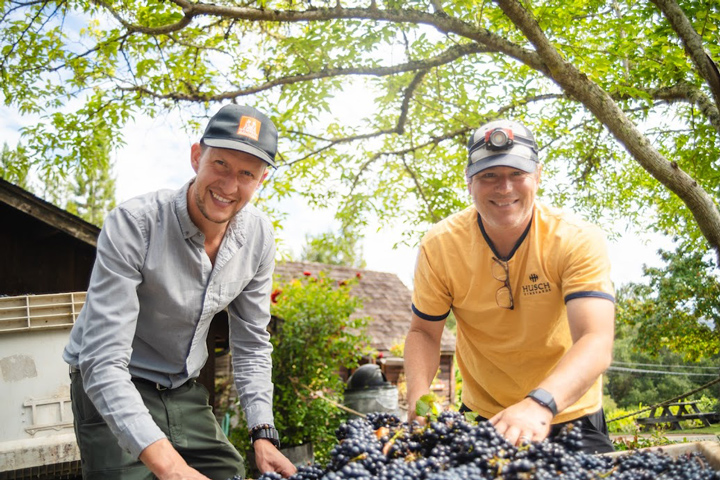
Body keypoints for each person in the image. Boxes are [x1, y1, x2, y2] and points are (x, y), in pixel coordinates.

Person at [63, 104, 298, 479]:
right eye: (220, 164)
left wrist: (262, 433)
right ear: (196, 156)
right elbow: (102, 361)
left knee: (228, 472)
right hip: (115, 380)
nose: (228, 185)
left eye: (246, 174)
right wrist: (172, 468)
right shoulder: (134, 225)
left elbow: (252, 342)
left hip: (180, 386)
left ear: (261, 180)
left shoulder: (259, 237)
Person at [404, 119, 616, 454]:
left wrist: (538, 404)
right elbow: (424, 333)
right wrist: (418, 401)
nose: (505, 188)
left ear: (537, 176)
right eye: (489, 175)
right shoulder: (440, 246)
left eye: (516, 173)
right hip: (485, 417)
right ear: (469, 181)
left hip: (568, 412)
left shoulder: (576, 239)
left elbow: (596, 339)